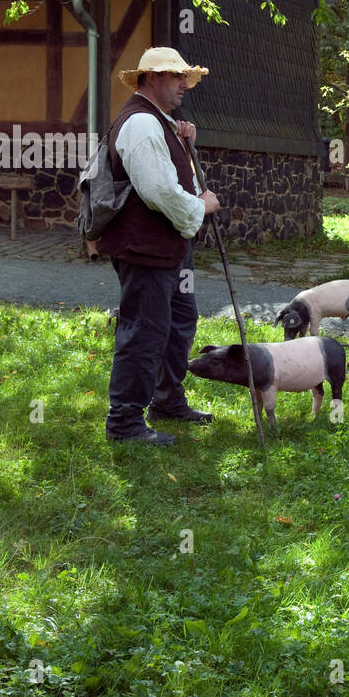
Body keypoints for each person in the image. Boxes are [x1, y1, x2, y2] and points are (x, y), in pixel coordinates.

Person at [97, 47, 221, 445]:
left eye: (186, 75)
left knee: (179, 323)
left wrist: (186, 142)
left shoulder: (161, 123)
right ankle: (125, 423)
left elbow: (170, 175)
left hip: (170, 249)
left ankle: (167, 399)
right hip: (146, 251)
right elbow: (158, 192)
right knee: (144, 333)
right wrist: (201, 207)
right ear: (150, 79)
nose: (185, 84)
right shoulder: (141, 125)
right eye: (175, 76)